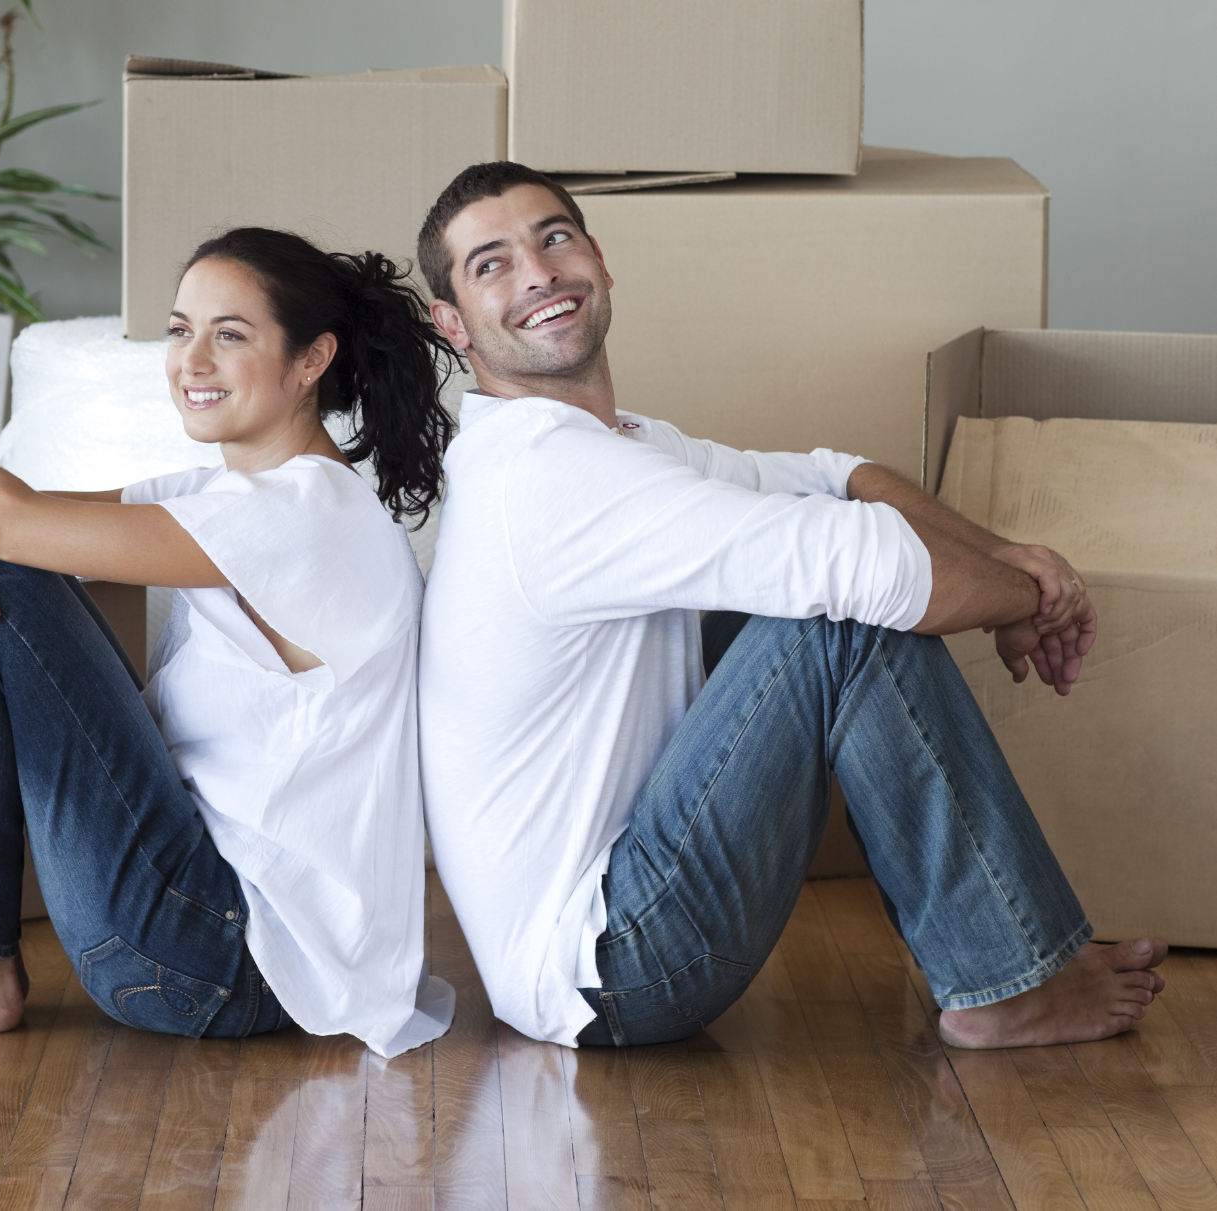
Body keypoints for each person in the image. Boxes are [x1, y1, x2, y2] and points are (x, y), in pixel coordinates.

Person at [414, 161, 1167, 1050]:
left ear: (599, 261)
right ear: (454, 323)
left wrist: (1002, 558)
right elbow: (870, 567)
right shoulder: (549, 477)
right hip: (613, 965)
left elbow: (828, 477)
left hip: (609, 920)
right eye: (491, 263)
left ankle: (1001, 962)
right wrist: (1035, 595)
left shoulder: (612, 444)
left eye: (553, 238)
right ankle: (1009, 979)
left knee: (824, 568)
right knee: (839, 620)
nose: (537, 273)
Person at [0, 228, 458, 1058]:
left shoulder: (303, 518)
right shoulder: (227, 492)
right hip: (205, 936)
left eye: (228, 335)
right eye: (179, 330)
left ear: (310, 360)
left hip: (221, 961)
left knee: (1, 570)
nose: (191, 361)